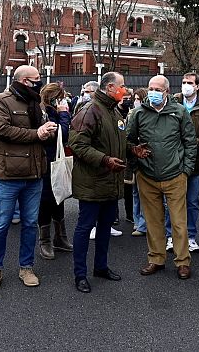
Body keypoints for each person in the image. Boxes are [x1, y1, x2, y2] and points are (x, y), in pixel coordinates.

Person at [0, 65, 57, 290]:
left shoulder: (36, 102)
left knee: (29, 224)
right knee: (1, 225)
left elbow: (40, 134)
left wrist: (48, 129)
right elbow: (1, 130)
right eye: (36, 79)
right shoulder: (1, 101)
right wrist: (37, 133)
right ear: (25, 81)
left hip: (34, 173)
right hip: (8, 174)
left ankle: (26, 267)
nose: (40, 82)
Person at [127, 75, 196, 280]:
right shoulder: (139, 113)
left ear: (166, 91)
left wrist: (186, 169)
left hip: (175, 174)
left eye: (157, 89)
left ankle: (183, 261)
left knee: (178, 222)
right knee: (153, 221)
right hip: (147, 175)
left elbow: (190, 142)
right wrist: (134, 152)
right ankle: (156, 258)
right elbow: (128, 141)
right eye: (150, 88)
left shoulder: (179, 112)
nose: (153, 92)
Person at [69, 72, 128, 293]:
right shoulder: (90, 110)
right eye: (122, 86)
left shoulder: (113, 111)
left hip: (110, 181)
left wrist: (132, 150)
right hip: (92, 182)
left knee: (105, 227)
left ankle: (101, 267)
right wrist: (104, 160)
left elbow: (117, 141)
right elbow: (78, 145)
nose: (125, 89)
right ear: (111, 87)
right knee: (85, 228)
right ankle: (80, 274)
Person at [166, 72, 199, 253]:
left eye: (189, 83)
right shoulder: (172, 101)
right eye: (183, 82)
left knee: (192, 201)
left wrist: (194, 142)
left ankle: (191, 236)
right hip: (172, 160)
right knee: (172, 200)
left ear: (197, 86)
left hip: (195, 159)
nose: (185, 85)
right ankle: (171, 236)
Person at [37, 83, 72, 260]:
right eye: (60, 96)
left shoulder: (52, 111)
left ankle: (60, 237)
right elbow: (62, 133)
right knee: (46, 201)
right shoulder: (44, 112)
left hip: (55, 160)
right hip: (45, 162)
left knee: (59, 197)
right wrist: (64, 113)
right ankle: (45, 240)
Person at [128, 89, 148, 237]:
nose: (136, 101)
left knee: (144, 194)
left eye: (138, 99)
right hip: (134, 159)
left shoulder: (145, 115)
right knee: (135, 193)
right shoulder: (132, 114)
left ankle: (143, 223)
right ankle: (137, 221)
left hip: (145, 159)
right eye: (134, 98)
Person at [115, 88, 135, 225]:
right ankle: (114, 216)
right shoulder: (115, 111)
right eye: (124, 97)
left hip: (127, 153)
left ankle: (130, 214)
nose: (126, 100)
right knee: (115, 185)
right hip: (116, 151)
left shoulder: (133, 112)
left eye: (129, 98)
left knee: (128, 187)